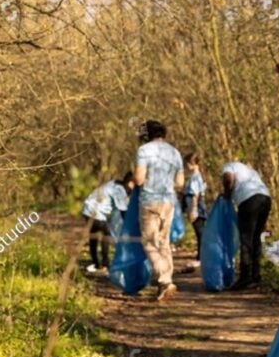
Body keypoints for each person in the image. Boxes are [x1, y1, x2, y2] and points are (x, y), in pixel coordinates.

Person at [133, 120, 184, 301]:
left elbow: (139, 179)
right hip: (168, 201)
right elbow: (180, 183)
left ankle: (164, 280)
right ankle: (165, 283)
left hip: (149, 201)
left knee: (149, 242)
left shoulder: (144, 151)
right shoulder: (174, 152)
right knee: (163, 241)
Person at [221, 161, 272, 290]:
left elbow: (229, 178)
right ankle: (256, 275)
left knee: (246, 239)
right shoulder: (250, 171)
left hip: (248, 200)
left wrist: (226, 194)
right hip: (265, 198)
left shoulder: (229, 166)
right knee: (256, 239)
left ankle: (245, 278)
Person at [80, 172, 134, 273]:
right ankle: (105, 263)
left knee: (94, 236)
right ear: (130, 183)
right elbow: (123, 211)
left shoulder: (113, 183)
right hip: (96, 212)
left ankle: (96, 263)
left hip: (87, 209)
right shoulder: (119, 190)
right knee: (106, 235)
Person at [183, 152, 208, 260]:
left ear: (192, 163)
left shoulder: (195, 177)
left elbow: (195, 195)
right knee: (199, 231)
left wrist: (193, 210)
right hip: (195, 206)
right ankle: (201, 254)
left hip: (196, 207)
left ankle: (202, 255)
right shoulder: (195, 176)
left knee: (200, 231)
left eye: (187, 164)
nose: (187, 166)